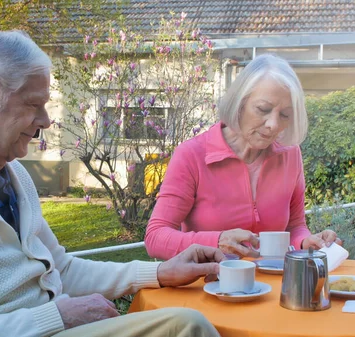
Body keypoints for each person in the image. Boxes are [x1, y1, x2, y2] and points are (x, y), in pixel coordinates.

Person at [0, 30, 224, 337]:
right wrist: (55, 316)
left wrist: (162, 271)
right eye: (33, 104)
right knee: (185, 328)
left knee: (189, 322)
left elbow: (63, 269)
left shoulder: (15, 175)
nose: (45, 120)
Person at [144, 54, 342, 261]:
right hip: (206, 286)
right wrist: (217, 241)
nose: (273, 124)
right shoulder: (192, 155)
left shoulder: (290, 154)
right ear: (239, 103)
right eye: (263, 109)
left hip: (269, 287)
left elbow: (294, 227)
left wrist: (306, 241)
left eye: (285, 115)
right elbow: (155, 238)